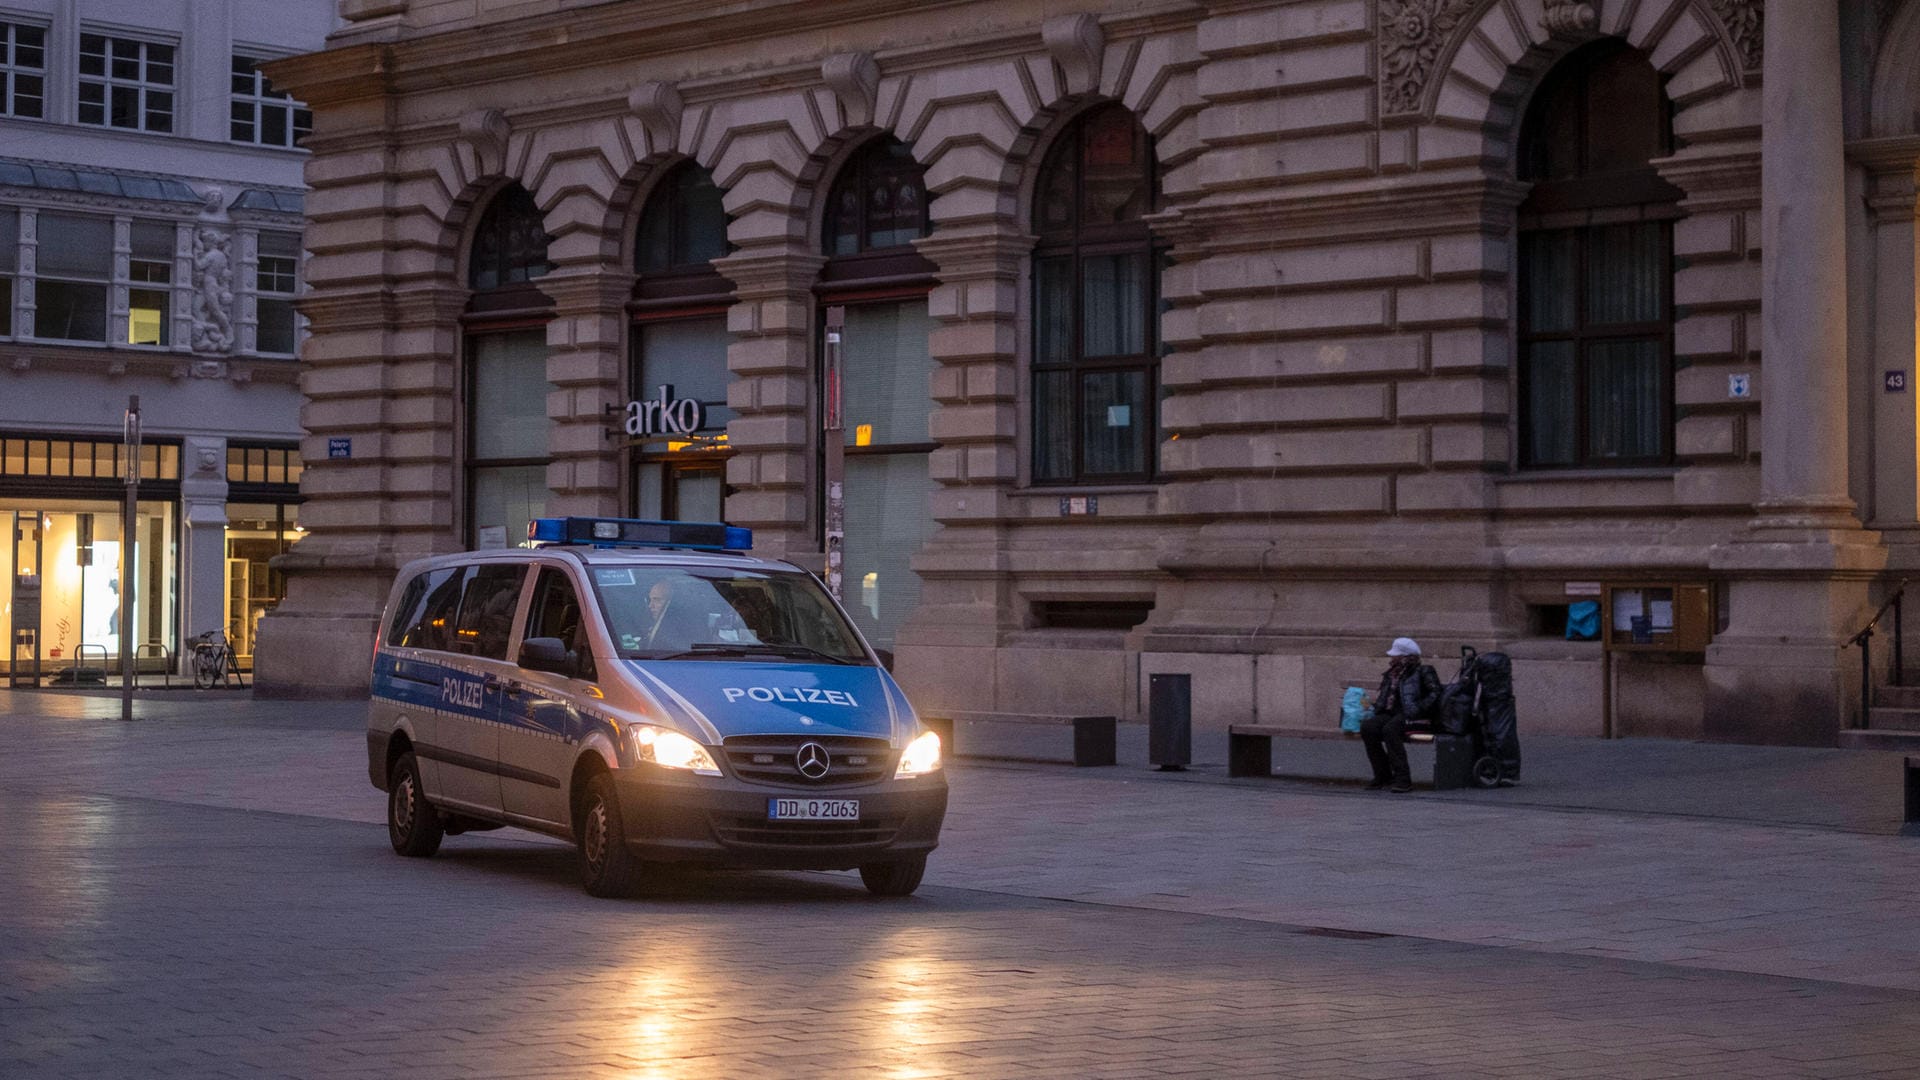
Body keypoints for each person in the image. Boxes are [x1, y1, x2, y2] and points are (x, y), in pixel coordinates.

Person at [1360, 636, 1441, 793]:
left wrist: (1419, 708)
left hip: (1413, 715)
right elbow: (1386, 698)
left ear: (1405, 656)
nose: (1391, 657)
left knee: (1390, 730)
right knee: (1368, 727)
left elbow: (1435, 692)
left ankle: (1403, 779)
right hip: (1392, 713)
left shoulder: (1423, 671)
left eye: (1395, 654)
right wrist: (1374, 707)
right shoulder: (1391, 673)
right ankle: (1382, 775)